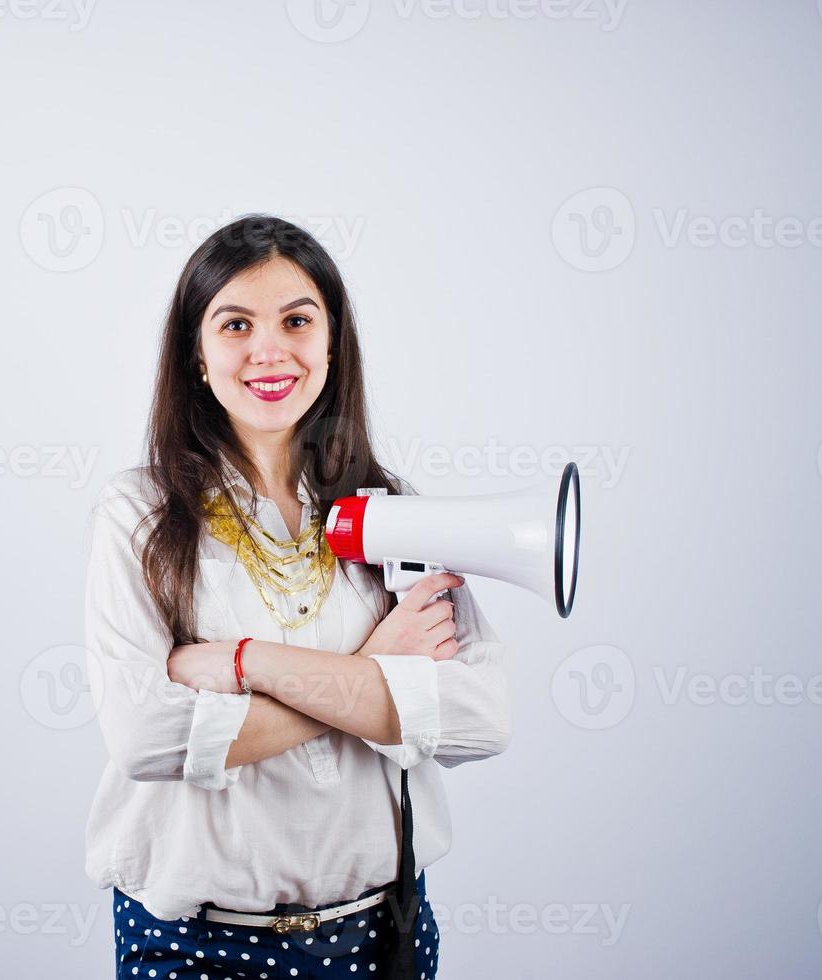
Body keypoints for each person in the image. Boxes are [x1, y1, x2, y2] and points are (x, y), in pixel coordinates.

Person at [81, 215, 513, 979]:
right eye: (235, 323)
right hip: (193, 946)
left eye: (296, 321)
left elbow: (480, 718)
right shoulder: (137, 514)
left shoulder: (399, 511)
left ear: (331, 342)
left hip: (380, 937)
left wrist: (247, 662)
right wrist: (375, 671)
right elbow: (147, 736)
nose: (268, 350)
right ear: (196, 353)